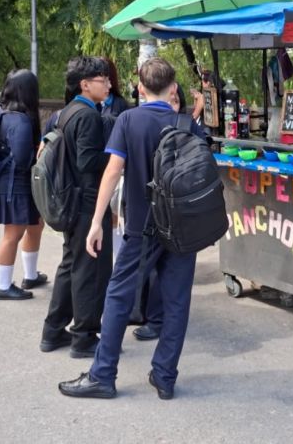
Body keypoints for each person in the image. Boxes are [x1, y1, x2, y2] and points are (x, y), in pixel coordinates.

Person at [59, 58, 206, 401]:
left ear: (140, 88)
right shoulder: (187, 123)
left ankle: (103, 374)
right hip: (183, 229)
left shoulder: (128, 120)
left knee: (118, 295)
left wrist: (97, 222)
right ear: (173, 89)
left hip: (141, 227)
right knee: (177, 301)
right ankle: (165, 375)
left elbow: (112, 173)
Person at [40, 57, 114, 358]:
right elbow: (87, 161)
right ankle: (84, 337)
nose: (108, 84)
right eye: (103, 79)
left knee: (70, 266)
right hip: (86, 202)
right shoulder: (87, 116)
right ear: (85, 84)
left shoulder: (66, 112)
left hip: (70, 200)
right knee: (90, 271)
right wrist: (116, 158)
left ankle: (53, 331)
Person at [0, 69, 46, 301]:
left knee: (35, 225)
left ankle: (30, 275)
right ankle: (3, 286)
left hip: (10, 182)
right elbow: (22, 158)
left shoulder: (3, 115)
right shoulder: (21, 121)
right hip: (16, 184)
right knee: (13, 233)